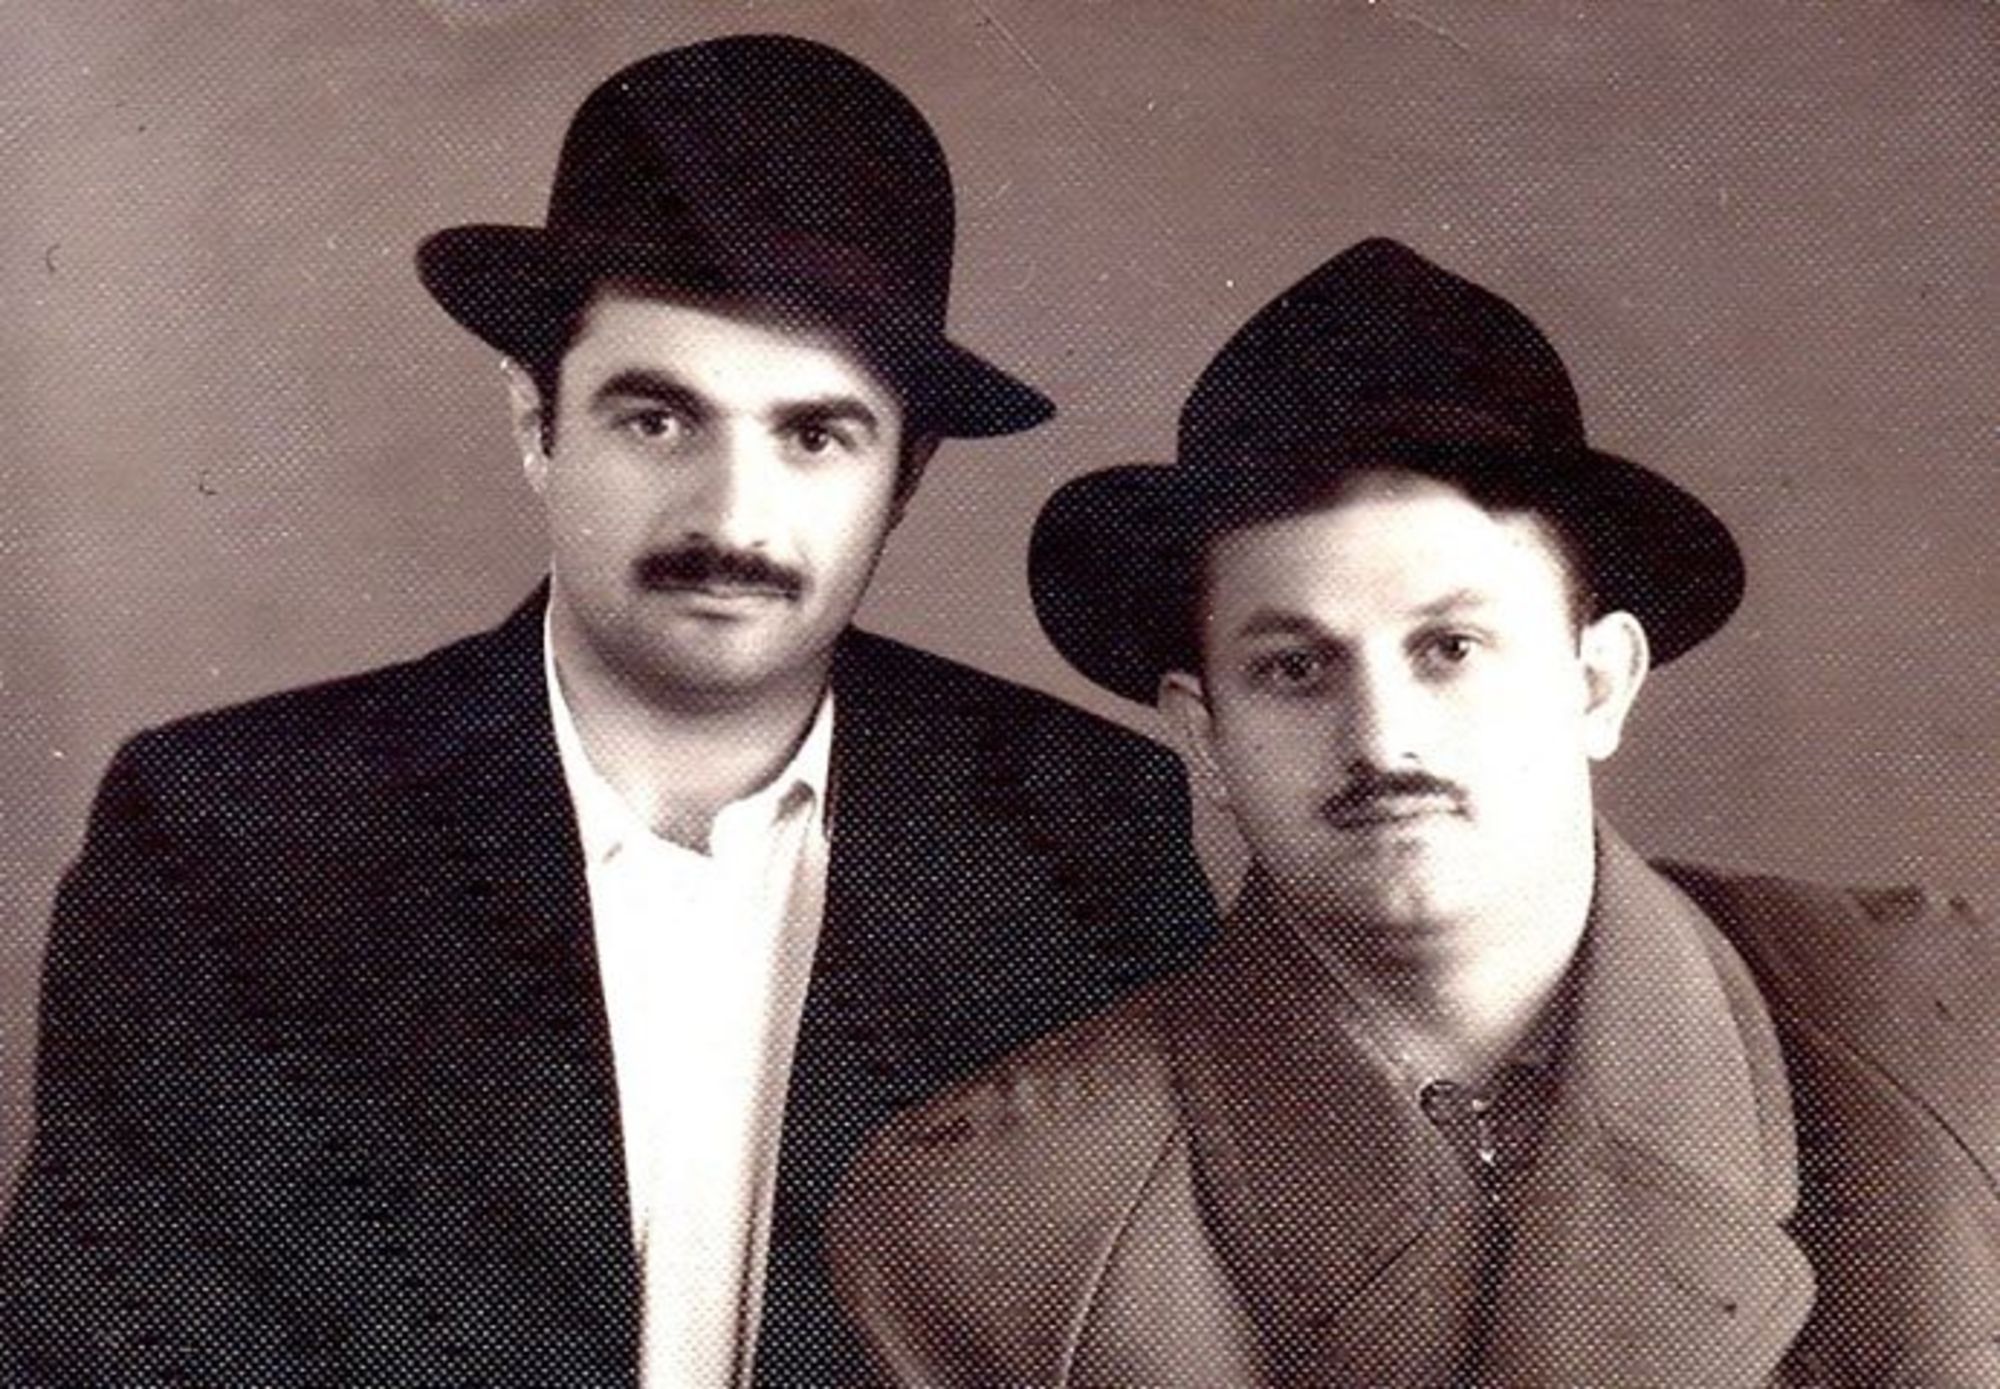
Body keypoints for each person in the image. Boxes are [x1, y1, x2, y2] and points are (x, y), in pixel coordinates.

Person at [0, 35, 1215, 1387]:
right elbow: (107, 1353)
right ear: (538, 421)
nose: (731, 517)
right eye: (657, 420)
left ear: (906, 475)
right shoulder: (232, 836)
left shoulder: (1080, 824)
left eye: (814, 436)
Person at [830, 238, 2000, 1386]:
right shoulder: (997, 1224)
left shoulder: (1948, 1047)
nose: (1380, 739)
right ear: (1205, 734)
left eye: (1449, 648)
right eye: (1294, 669)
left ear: (1596, 684)